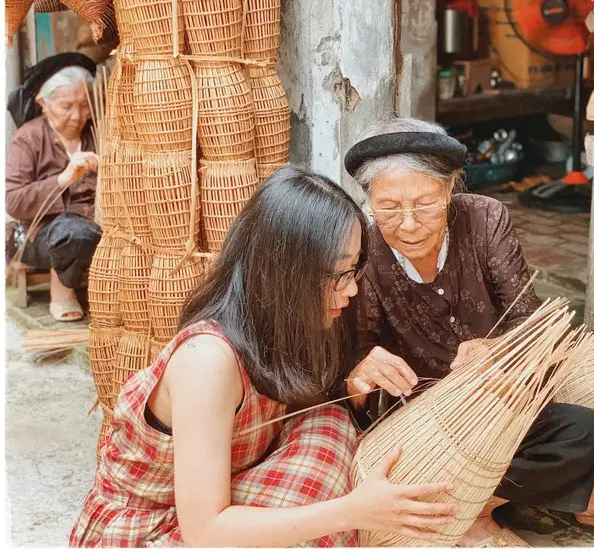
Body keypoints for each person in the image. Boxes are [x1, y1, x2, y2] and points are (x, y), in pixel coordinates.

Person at [69, 166, 457, 548]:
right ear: (287, 274)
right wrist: (352, 511)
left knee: (329, 426)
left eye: (354, 269)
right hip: (151, 532)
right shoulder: (207, 361)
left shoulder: (287, 326)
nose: (352, 290)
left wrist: (351, 388)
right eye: (339, 274)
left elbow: (307, 410)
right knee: (319, 490)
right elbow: (204, 531)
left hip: (216, 499)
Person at [342, 118, 594, 544]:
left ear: (450, 190)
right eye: (389, 207)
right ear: (369, 202)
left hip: (511, 386)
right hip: (436, 423)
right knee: (581, 434)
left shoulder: (485, 218)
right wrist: (359, 374)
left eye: (425, 203)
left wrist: (499, 350)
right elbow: (356, 364)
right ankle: (471, 514)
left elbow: (530, 320)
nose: (409, 224)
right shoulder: (362, 246)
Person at [6, 57, 101, 321]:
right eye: (66, 106)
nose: (77, 115)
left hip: (95, 223)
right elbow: (13, 201)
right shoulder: (29, 137)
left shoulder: (97, 133)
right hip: (43, 235)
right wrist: (64, 178)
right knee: (72, 232)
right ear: (43, 105)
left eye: (84, 105)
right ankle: (63, 289)